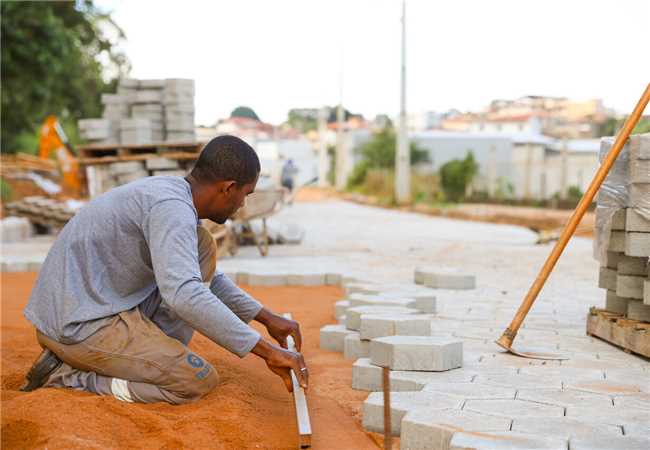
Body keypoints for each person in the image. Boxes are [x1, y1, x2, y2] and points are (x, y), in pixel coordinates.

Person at [21, 135, 308, 405]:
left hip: (95, 305)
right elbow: (185, 294)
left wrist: (266, 318)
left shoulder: (173, 197)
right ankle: (70, 377)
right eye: (245, 194)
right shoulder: (171, 209)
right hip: (78, 325)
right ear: (228, 187)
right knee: (194, 380)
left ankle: (150, 357)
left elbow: (196, 278)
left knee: (202, 249)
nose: (242, 204)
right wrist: (267, 351)